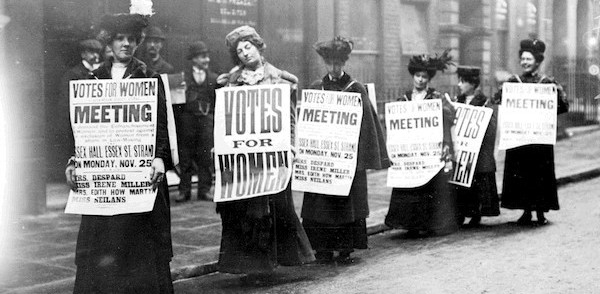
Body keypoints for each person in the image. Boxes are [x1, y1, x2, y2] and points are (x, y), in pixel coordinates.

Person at [64, 13, 174, 293]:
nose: (126, 44)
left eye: (131, 39)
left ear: (138, 43)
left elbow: (161, 123)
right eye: (120, 38)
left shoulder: (149, 77)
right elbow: (81, 129)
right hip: (105, 178)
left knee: (140, 244)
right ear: (110, 42)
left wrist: (160, 158)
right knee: (103, 243)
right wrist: (74, 161)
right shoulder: (93, 78)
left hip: (139, 174)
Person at [215, 25, 314, 281]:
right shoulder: (231, 82)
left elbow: (290, 119)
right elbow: (225, 119)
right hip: (243, 158)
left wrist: (292, 144)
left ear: (258, 46)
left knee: (273, 208)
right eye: (239, 51)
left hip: (273, 156)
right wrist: (220, 142)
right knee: (245, 209)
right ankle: (251, 266)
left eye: (248, 47)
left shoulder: (281, 80)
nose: (245, 53)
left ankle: (271, 263)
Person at [300, 36, 389, 264]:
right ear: (325, 64)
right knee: (321, 206)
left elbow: (368, 126)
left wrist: (358, 156)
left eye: (339, 64)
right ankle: (322, 247)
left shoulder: (356, 89)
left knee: (344, 205)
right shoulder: (316, 88)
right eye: (330, 64)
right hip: (323, 159)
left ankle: (344, 247)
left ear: (344, 63)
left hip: (346, 160)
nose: (334, 68)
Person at [493, 38, 569, 226]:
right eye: (523, 59)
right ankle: (526, 210)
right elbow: (498, 100)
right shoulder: (513, 82)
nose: (525, 62)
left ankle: (541, 211)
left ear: (537, 61)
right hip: (519, 138)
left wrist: (548, 110)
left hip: (539, 139)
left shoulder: (548, 83)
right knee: (522, 173)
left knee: (539, 173)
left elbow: (563, 105)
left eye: (529, 59)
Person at [384, 50, 459, 237]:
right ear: (413, 76)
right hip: (411, 150)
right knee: (410, 185)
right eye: (417, 76)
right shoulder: (404, 98)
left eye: (424, 77)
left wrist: (444, 109)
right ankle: (410, 223)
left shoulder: (436, 98)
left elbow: (451, 116)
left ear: (429, 78)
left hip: (429, 150)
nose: (420, 80)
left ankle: (428, 223)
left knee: (429, 185)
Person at [454, 66, 500, 226]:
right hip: (461, 149)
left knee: (476, 183)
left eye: (463, 82)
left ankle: (475, 213)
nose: (459, 85)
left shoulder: (485, 102)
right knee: (459, 183)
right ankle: (460, 213)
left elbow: (490, 125)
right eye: (459, 81)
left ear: (473, 84)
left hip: (477, 151)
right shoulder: (457, 100)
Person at [175, 41, 218, 202]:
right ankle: (184, 191)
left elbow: (216, 102)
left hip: (206, 121)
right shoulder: (182, 78)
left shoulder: (213, 78)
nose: (206, 60)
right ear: (193, 59)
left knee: (205, 157)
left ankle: (204, 190)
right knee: (185, 157)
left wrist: (211, 117)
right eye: (202, 57)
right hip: (187, 122)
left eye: (207, 56)